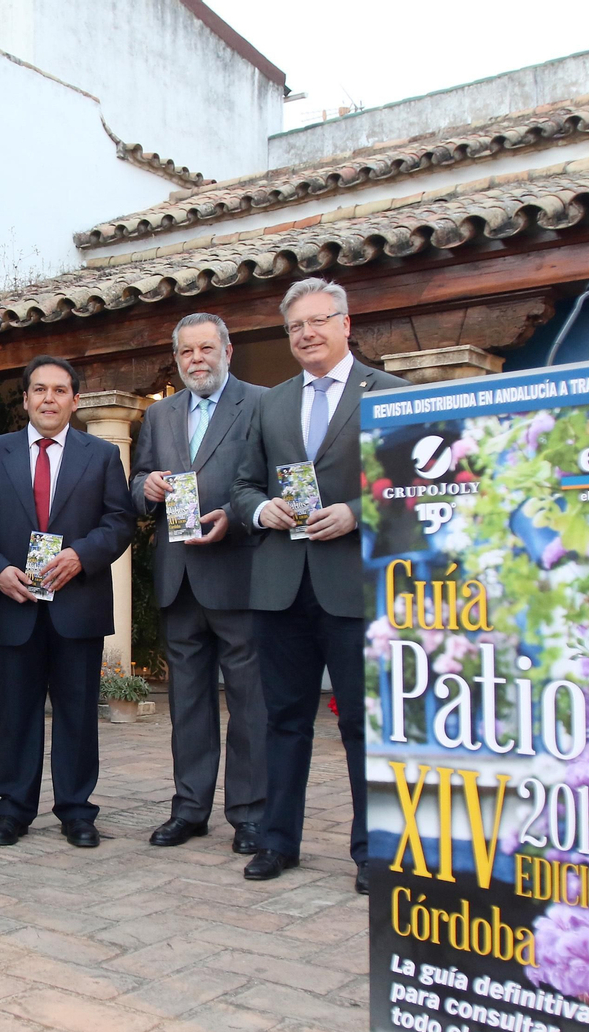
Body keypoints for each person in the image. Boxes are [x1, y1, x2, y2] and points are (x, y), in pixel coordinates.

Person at [229, 277, 410, 894]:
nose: (307, 334)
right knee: (282, 718)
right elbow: (242, 487)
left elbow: (412, 485)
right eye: (295, 327)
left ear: (345, 323)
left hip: (353, 583)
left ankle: (371, 852)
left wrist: (359, 512)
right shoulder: (270, 403)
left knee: (362, 723)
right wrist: (262, 511)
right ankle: (279, 840)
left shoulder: (389, 393)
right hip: (281, 584)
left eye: (318, 321)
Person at [0, 355, 134, 848]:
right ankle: (13, 810)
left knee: (78, 714)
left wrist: (82, 556)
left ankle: (77, 810)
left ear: (75, 400)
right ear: (25, 398)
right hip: (14, 604)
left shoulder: (100, 455)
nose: (49, 398)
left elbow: (119, 522)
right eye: (39, 389)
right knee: (15, 713)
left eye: (60, 390)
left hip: (77, 604)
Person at [131, 312, 267, 854]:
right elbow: (135, 481)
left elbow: (272, 480)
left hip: (239, 571)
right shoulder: (160, 414)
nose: (196, 360)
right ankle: (189, 809)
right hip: (179, 578)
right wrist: (150, 486)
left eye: (206, 349)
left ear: (227, 351)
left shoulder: (260, 403)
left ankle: (250, 815)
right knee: (186, 701)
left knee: (249, 701)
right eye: (186, 352)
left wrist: (232, 517)